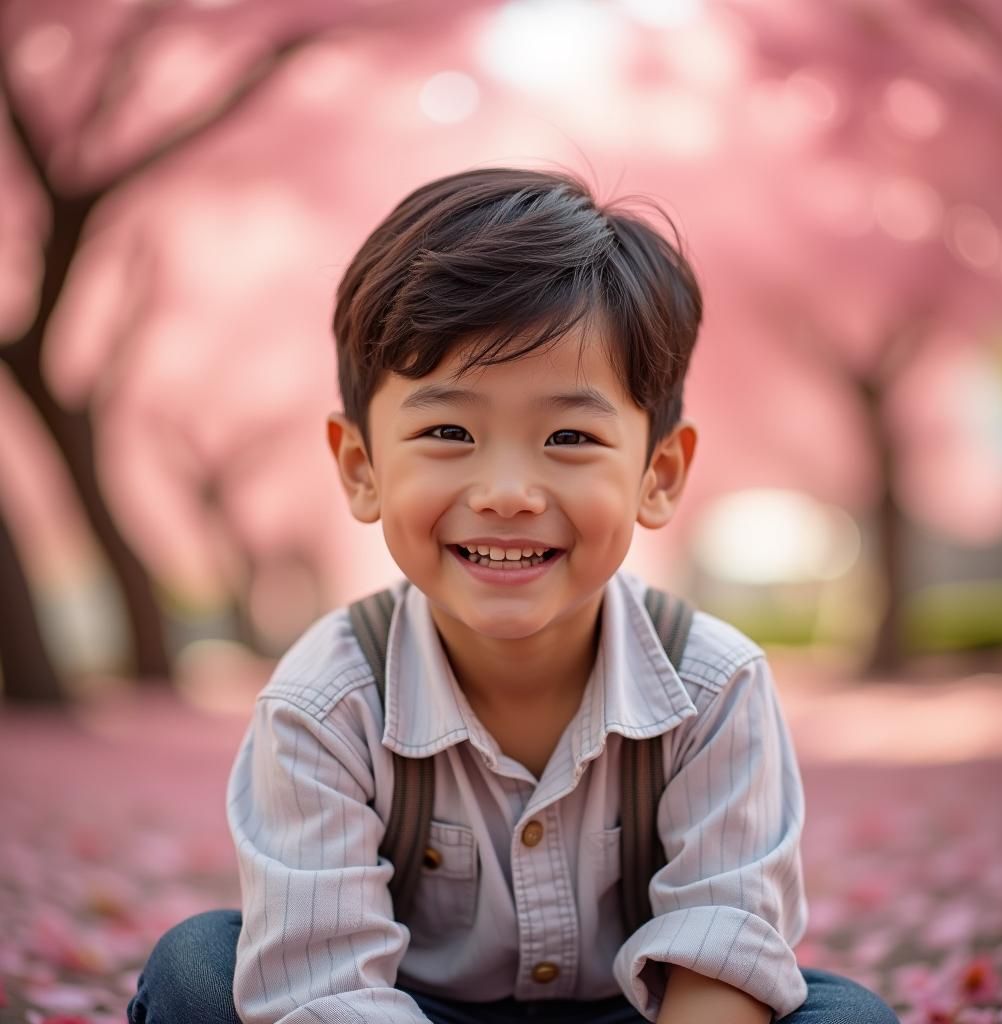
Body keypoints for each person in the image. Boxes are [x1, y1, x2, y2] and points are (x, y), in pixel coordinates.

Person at [127, 167, 898, 1024]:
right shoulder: (328, 700)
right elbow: (326, 986)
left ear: (658, 473)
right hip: (402, 1010)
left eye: (569, 436)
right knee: (198, 969)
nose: (506, 491)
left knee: (848, 1016)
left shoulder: (713, 686)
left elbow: (725, 952)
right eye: (447, 432)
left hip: (645, 1012)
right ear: (361, 467)